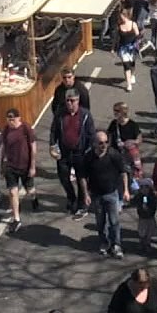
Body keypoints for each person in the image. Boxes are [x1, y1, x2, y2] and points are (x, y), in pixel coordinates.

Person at [81, 129, 131, 259]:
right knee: (100, 221)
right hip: (96, 195)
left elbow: (123, 172)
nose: (104, 145)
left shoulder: (114, 155)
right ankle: (104, 242)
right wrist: (85, 194)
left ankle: (116, 245)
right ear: (94, 144)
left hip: (112, 193)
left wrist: (125, 190)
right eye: (101, 143)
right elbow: (82, 177)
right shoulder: (89, 157)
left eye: (106, 142)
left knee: (114, 221)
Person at [49, 89, 97, 219]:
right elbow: (54, 131)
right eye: (68, 101)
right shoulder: (60, 114)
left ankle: (82, 205)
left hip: (80, 153)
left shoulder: (85, 115)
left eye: (73, 100)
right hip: (64, 153)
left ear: (78, 100)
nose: (70, 103)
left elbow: (91, 134)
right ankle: (71, 198)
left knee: (82, 179)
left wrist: (90, 151)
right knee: (64, 177)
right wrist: (52, 146)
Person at [0, 107, 39, 232]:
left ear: (18, 118)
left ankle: (34, 198)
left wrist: (32, 166)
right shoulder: (6, 130)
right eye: (9, 119)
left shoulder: (26, 128)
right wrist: (1, 165)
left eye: (13, 119)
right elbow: (3, 148)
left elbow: (33, 148)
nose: (11, 122)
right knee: (12, 192)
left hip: (25, 165)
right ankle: (16, 219)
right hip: (11, 166)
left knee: (29, 190)